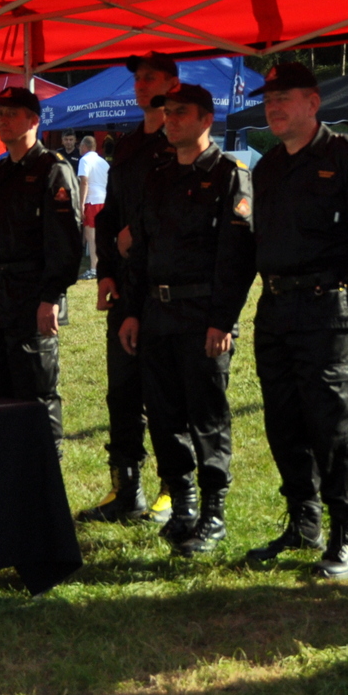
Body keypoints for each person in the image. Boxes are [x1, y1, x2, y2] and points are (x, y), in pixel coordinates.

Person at [245, 62, 348, 579]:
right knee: (284, 420)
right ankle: (304, 522)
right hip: (276, 308)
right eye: (268, 101)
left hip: (329, 308)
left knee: (334, 424)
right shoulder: (268, 167)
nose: (274, 108)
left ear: (313, 102)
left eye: (284, 98)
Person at [118, 82, 255, 555]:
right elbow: (142, 253)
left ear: (205, 120)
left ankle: (214, 514)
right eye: (167, 112)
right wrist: (133, 311)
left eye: (180, 113)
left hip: (201, 317)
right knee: (163, 416)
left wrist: (223, 322)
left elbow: (236, 257)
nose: (171, 119)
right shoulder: (157, 176)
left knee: (207, 417)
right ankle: (183, 508)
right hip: (157, 313)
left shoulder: (227, 174)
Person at [79, 52, 181, 524]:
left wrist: (136, 235)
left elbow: (181, 212)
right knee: (121, 391)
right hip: (124, 284)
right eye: (138, 79)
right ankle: (126, 488)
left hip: (165, 284)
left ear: (172, 83)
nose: (141, 85)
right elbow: (108, 214)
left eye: (151, 77)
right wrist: (103, 273)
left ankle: (172, 489)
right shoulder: (127, 146)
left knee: (164, 392)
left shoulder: (180, 140)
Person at [0, 85, 80, 444]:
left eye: (11, 114)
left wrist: (51, 297)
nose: (2, 120)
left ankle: (46, 476)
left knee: (36, 396)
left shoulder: (52, 170)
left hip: (29, 300)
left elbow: (66, 244)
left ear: (33, 121)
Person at [77, 134, 108, 279]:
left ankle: (94, 268)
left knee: (91, 236)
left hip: (92, 200)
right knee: (103, 236)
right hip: (104, 199)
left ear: (84, 147)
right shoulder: (103, 162)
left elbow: (84, 182)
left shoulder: (84, 160)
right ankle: (104, 266)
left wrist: (81, 203)